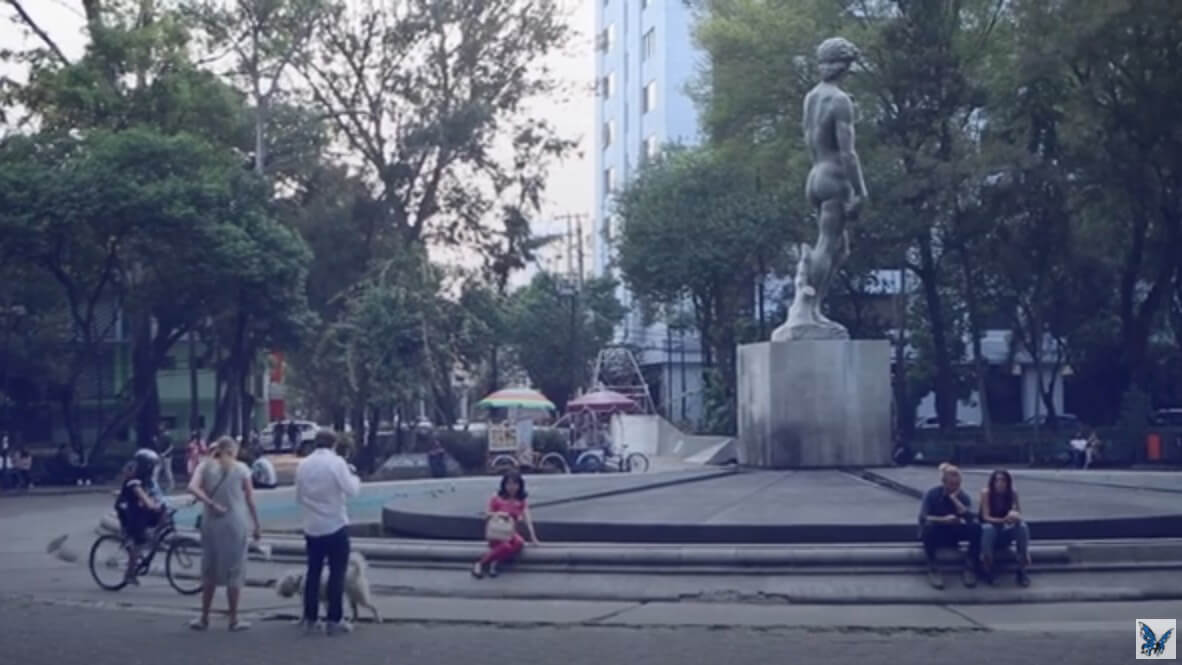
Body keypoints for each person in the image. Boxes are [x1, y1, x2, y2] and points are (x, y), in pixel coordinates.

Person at [187, 436, 261, 632]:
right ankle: (233, 619)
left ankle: (203, 617)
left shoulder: (204, 467)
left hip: (211, 522)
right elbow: (250, 499)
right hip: (235, 522)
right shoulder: (242, 469)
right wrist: (257, 525)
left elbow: (192, 488)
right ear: (233, 450)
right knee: (234, 570)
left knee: (209, 568)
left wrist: (210, 504)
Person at [294, 430, 361, 635]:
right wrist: (354, 476)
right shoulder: (337, 463)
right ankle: (334, 619)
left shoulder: (303, 465)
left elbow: (299, 497)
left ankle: (310, 617)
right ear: (333, 445)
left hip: (312, 527)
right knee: (336, 574)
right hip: (335, 525)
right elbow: (351, 491)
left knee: (313, 573)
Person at [917, 463, 981, 589]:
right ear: (944, 482)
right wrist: (943, 520)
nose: (955, 488)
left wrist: (956, 502)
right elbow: (922, 517)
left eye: (957, 485)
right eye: (952, 484)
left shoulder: (962, 496)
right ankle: (933, 567)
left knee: (976, 527)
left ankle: (970, 565)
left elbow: (972, 517)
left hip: (954, 532)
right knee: (928, 527)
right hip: (937, 531)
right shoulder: (931, 494)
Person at [472, 471, 540, 579]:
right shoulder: (496, 498)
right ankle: (480, 563)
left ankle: (495, 562)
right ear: (504, 485)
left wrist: (533, 537)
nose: (512, 487)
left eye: (515, 484)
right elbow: (486, 515)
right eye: (509, 484)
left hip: (510, 533)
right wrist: (499, 514)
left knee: (519, 542)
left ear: (519, 485)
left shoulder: (521, 501)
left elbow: (528, 520)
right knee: (506, 546)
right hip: (496, 532)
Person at [114, 450, 166, 585]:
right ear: (147, 466)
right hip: (128, 511)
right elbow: (142, 496)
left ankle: (150, 538)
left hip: (139, 510)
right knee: (138, 542)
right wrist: (152, 505)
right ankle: (129, 574)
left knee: (162, 515)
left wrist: (161, 504)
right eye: (152, 466)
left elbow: (154, 495)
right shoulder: (134, 480)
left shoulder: (147, 480)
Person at [978, 469, 1031, 587]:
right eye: (997, 480)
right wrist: (1003, 520)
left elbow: (1019, 514)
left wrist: (1014, 516)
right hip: (990, 532)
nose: (1000, 483)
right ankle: (988, 568)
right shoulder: (986, 493)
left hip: (1005, 530)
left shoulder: (1012, 493)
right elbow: (985, 517)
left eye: (1003, 480)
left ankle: (1022, 568)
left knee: (1022, 527)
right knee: (988, 529)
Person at [156, 422, 175, 492]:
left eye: (161, 426)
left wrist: (164, 453)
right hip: (160, 456)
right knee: (156, 470)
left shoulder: (168, 435)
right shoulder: (161, 435)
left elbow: (171, 447)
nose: (159, 427)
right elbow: (159, 445)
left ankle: (171, 485)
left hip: (167, 457)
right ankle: (154, 485)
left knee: (167, 471)